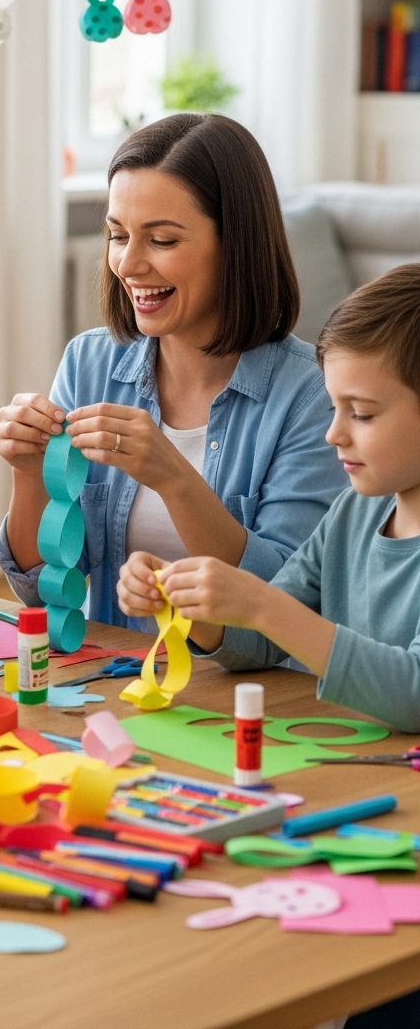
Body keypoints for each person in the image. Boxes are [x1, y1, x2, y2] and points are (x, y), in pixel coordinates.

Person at [0, 114, 344, 629]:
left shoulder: (312, 395)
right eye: (118, 235)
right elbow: (45, 588)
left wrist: (174, 478)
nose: (128, 264)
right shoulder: (89, 363)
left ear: (236, 245)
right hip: (119, 681)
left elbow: (286, 604)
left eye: (161, 240)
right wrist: (29, 474)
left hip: (247, 698)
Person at [127, 265, 420, 734]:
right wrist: (187, 601)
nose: (333, 434)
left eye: (362, 414)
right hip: (341, 755)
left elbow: (414, 694)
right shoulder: (352, 512)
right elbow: (260, 643)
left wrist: (264, 604)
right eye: (334, 408)